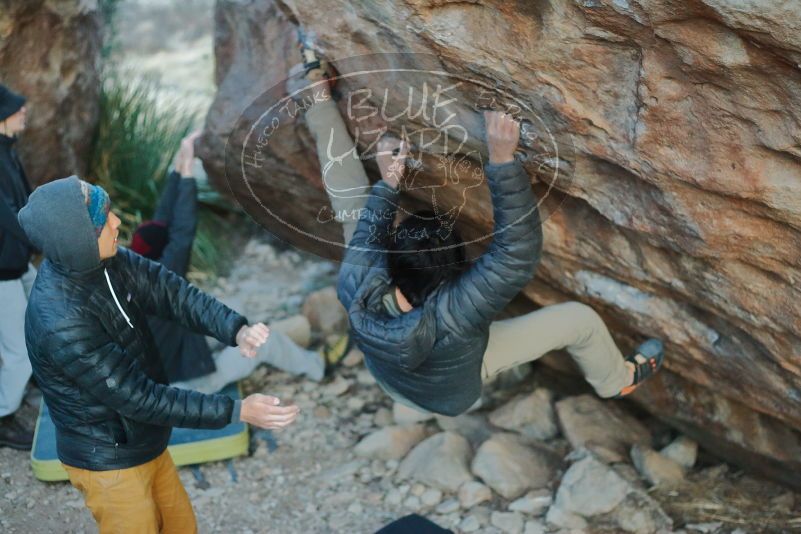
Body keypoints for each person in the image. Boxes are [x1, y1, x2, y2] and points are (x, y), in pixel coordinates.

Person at [289, 63, 664, 417]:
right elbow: (514, 254)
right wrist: (502, 161)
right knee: (580, 320)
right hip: (452, 396)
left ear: (393, 254)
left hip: (392, 379)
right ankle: (617, 381)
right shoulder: (457, 314)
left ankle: (317, 98)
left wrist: (388, 182)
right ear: (456, 273)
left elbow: (350, 195)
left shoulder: (358, 281)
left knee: (353, 213)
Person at [18, 176, 300, 533]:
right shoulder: (61, 322)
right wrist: (237, 411)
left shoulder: (109, 261)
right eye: (105, 220)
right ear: (78, 240)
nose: (117, 222)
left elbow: (173, 293)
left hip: (146, 439)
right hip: (109, 460)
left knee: (181, 526)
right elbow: (138, 397)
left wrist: (235, 329)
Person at [131, 131, 325, 392]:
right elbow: (182, 233)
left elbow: (162, 221)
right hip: (187, 385)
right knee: (264, 341)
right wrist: (188, 172)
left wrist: (180, 166)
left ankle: (233, 342)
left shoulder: (134, 270)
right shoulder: (163, 280)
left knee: (233, 307)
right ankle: (317, 366)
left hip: (167, 361)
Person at [0, 84, 37, 450]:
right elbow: (9, 218)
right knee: (18, 351)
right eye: (17, 109)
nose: (24, 112)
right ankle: (2, 418)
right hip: (2, 274)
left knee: (42, 320)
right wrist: (45, 238)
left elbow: (26, 202)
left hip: (17, 263)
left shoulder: (8, 152)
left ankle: (34, 388)